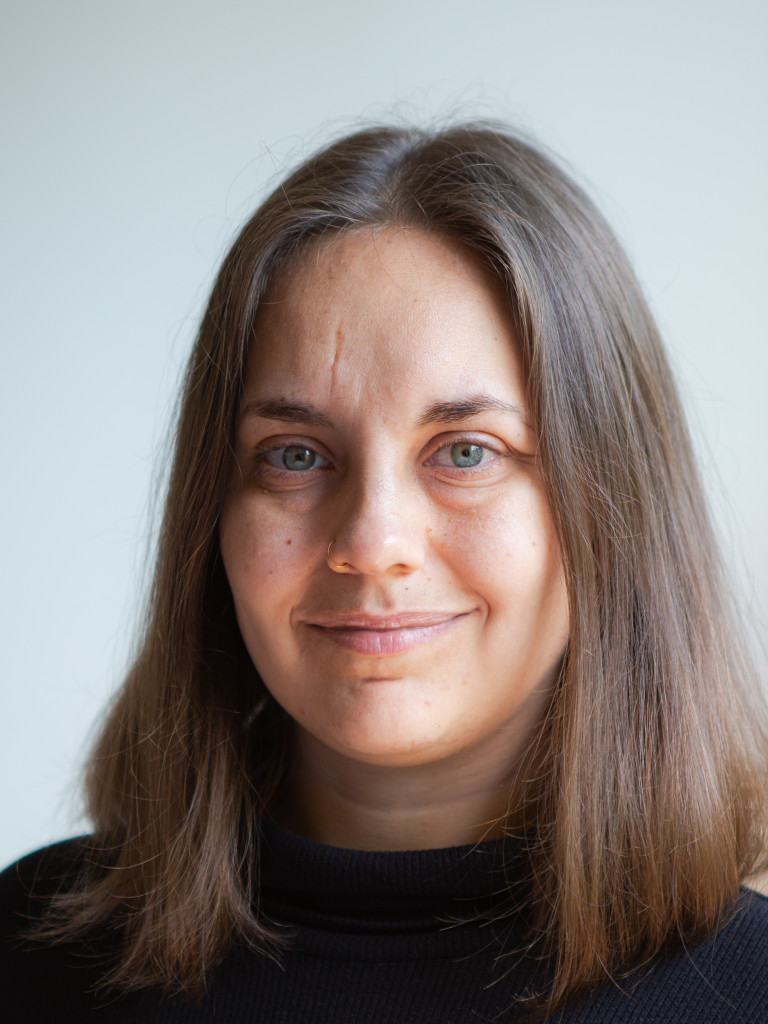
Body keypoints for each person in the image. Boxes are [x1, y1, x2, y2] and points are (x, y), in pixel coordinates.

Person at [2, 122, 767, 1023]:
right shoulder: (31, 958)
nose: (371, 542)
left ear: (613, 506)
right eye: (295, 455)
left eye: (467, 451)